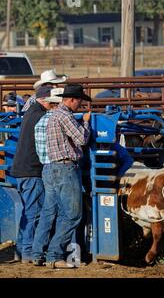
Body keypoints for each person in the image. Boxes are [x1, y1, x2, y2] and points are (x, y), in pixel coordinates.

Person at [35, 84, 91, 269]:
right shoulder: (65, 115)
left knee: (52, 211)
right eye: (80, 101)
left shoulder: (52, 116)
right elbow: (82, 139)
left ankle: (40, 253)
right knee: (73, 215)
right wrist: (86, 122)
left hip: (51, 168)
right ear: (73, 99)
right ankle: (54, 254)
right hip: (65, 167)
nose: (80, 105)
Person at [10, 85, 53, 263]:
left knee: (29, 211)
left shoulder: (30, 113)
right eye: (52, 101)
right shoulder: (41, 116)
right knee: (34, 211)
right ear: (45, 100)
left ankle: (21, 250)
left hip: (23, 170)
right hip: (32, 170)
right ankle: (27, 251)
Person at [31, 88, 64, 266]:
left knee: (47, 212)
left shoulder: (40, 121)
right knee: (68, 212)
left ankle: (37, 253)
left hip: (46, 168)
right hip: (59, 167)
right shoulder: (58, 120)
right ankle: (56, 252)